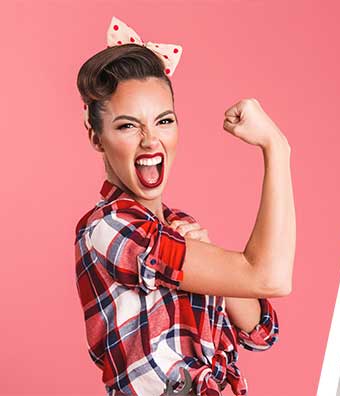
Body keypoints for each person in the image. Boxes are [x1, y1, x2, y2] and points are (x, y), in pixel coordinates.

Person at [74, 18, 295, 396]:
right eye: (128, 126)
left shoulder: (181, 228)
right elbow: (270, 277)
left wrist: (210, 257)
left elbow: (259, 331)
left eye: (163, 121)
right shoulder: (111, 228)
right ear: (96, 136)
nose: (150, 140)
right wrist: (277, 149)